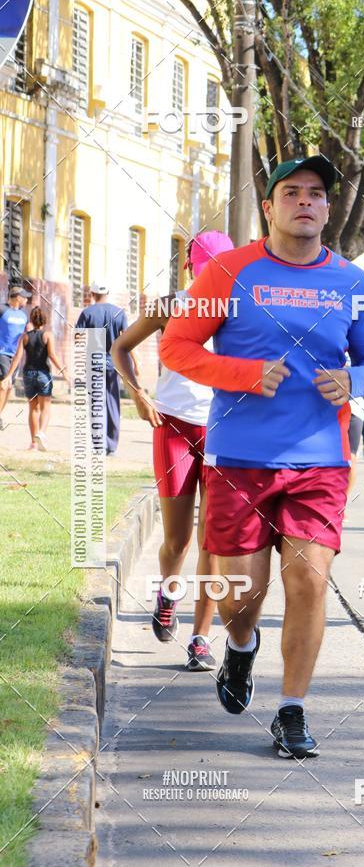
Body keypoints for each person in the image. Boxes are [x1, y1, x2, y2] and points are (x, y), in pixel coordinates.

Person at [160, 156, 364, 759]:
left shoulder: (351, 282)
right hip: (239, 458)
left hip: (320, 460)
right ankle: (239, 648)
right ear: (270, 206)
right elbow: (177, 347)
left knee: (309, 581)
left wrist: (356, 381)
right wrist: (241, 374)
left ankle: (292, 710)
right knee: (241, 598)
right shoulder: (230, 272)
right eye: (292, 192)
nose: (306, 202)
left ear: (329, 209)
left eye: (317, 193)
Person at [112, 232, 234, 672]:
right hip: (174, 427)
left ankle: (201, 637)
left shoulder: (243, 309)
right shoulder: (168, 307)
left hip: (225, 433)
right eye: (206, 271)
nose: (213, 281)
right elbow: (120, 347)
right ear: (189, 269)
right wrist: (139, 394)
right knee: (177, 539)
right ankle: (168, 590)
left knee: (214, 539)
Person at [0, 306, 69, 449]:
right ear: (45, 320)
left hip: (28, 375)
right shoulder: (47, 335)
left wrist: (8, 375)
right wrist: (63, 371)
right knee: (46, 407)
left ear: (31, 319)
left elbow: (17, 357)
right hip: (43, 374)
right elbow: (51, 355)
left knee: (33, 408)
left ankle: (33, 443)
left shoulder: (24, 336)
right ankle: (41, 433)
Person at [75, 282, 130, 455]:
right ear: (108, 292)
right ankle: (112, 446)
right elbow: (127, 339)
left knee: (97, 404)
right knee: (112, 402)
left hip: (94, 363)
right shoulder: (119, 313)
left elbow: (77, 338)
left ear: (92, 293)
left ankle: (98, 445)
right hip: (114, 363)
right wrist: (134, 363)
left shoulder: (86, 313)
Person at [0, 286, 30, 429]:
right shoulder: (2, 309)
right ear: (18, 297)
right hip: (2, 353)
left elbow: (28, 331)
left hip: (16, 356)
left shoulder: (24, 314)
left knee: (9, 386)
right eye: (24, 297)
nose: (26, 299)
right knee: (4, 385)